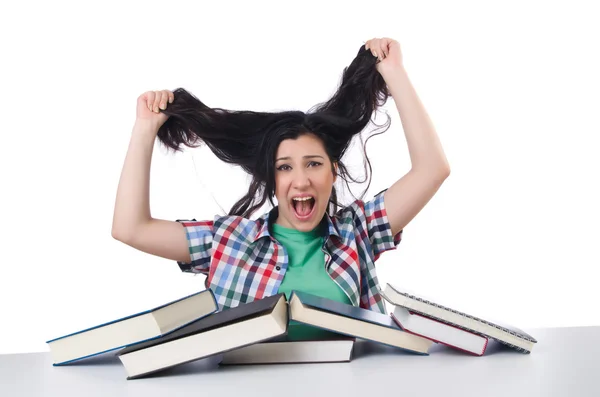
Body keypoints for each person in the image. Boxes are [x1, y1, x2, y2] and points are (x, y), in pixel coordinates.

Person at [111, 37, 450, 340]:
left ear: (333, 171)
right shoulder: (229, 240)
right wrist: (144, 129)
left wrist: (393, 73)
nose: (301, 180)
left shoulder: (357, 232)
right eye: (284, 167)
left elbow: (432, 170)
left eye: (314, 164)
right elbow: (131, 229)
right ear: (272, 179)